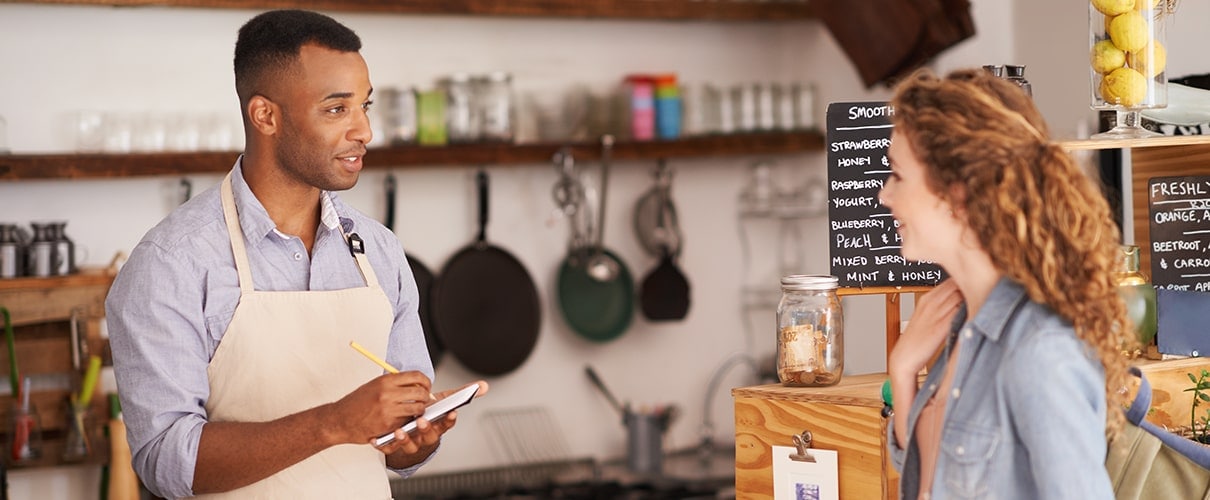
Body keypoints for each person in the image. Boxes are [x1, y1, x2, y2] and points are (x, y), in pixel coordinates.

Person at [106, 10, 485, 499]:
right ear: (265, 115)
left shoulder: (380, 251)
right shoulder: (170, 264)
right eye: (336, 109)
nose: (364, 131)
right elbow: (166, 462)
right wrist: (333, 423)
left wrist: (417, 436)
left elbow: (399, 452)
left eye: (364, 107)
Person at [879, 68, 1132, 499]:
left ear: (957, 194)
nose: (885, 195)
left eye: (898, 175)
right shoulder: (963, 326)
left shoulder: (1039, 352)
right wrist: (903, 372)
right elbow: (936, 475)